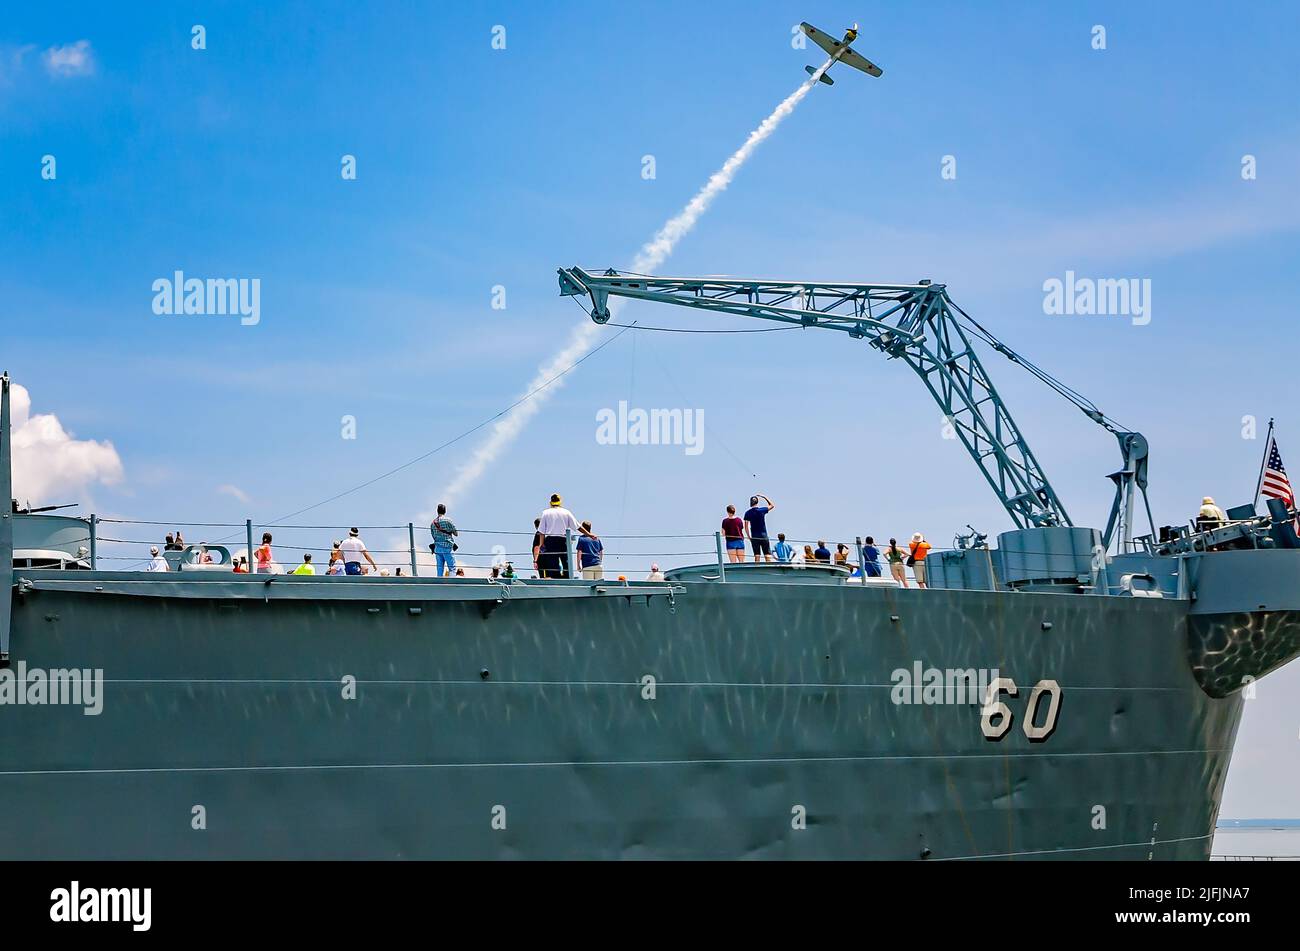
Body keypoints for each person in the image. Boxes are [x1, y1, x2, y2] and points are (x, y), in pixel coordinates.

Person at [536, 494, 590, 579]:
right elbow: (577, 526)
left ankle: (555, 578)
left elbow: (542, 531)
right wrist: (589, 534)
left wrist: (541, 544)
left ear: (551, 502)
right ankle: (567, 578)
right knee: (565, 561)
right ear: (560, 502)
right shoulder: (566, 512)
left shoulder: (545, 513)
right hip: (563, 540)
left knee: (552, 563)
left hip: (550, 540)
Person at [743, 494, 776, 563]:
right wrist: (764, 497)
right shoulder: (762, 510)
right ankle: (769, 570)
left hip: (754, 536)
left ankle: (758, 571)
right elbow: (772, 505)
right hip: (763, 535)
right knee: (767, 555)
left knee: (757, 556)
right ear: (757, 502)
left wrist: (749, 537)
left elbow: (746, 527)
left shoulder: (747, 513)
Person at [429, 503, 458, 577]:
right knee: (452, 568)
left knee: (439, 569)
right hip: (447, 547)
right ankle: (452, 584)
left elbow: (433, 536)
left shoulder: (433, 523)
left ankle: (439, 585)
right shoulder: (448, 520)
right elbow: (456, 533)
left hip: (437, 548)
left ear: (437, 511)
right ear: (445, 511)